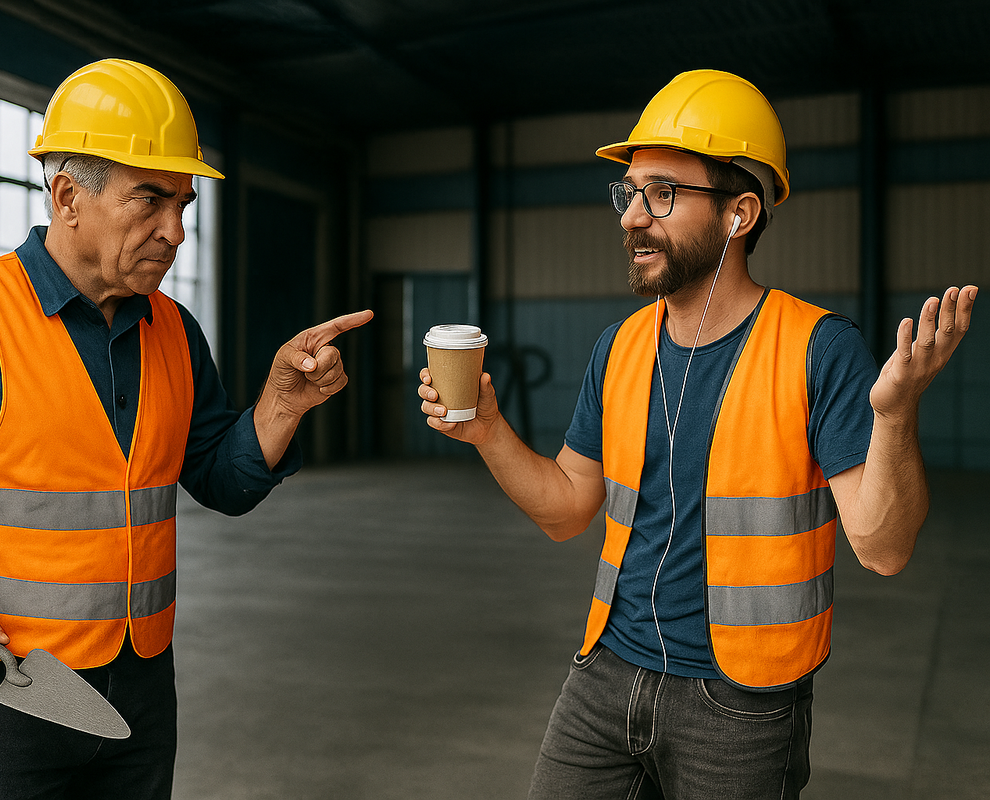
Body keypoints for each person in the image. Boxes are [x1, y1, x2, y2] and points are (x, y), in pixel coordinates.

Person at [0, 58, 371, 799]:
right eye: (150, 200)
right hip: (1, 683)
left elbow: (221, 482)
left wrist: (281, 405)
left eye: (183, 204)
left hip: (141, 683)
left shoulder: (174, 331)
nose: (175, 231)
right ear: (68, 196)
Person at [418, 69, 977, 799]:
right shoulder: (620, 347)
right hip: (606, 672)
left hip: (740, 702)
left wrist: (895, 414)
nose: (631, 216)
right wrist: (489, 431)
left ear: (740, 214)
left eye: (662, 194)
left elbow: (885, 547)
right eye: (629, 193)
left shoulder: (817, 349)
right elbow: (567, 510)